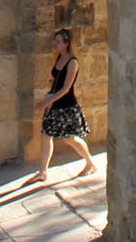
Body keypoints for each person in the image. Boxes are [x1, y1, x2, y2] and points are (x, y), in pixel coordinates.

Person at [30, 27, 96, 182]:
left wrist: (47, 101)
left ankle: (90, 163)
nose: (55, 44)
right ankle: (43, 172)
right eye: (55, 41)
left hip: (66, 107)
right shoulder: (59, 58)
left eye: (58, 41)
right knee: (46, 137)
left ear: (66, 44)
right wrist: (47, 98)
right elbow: (56, 83)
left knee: (70, 139)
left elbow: (66, 88)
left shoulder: (73, 62)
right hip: (54, 104)